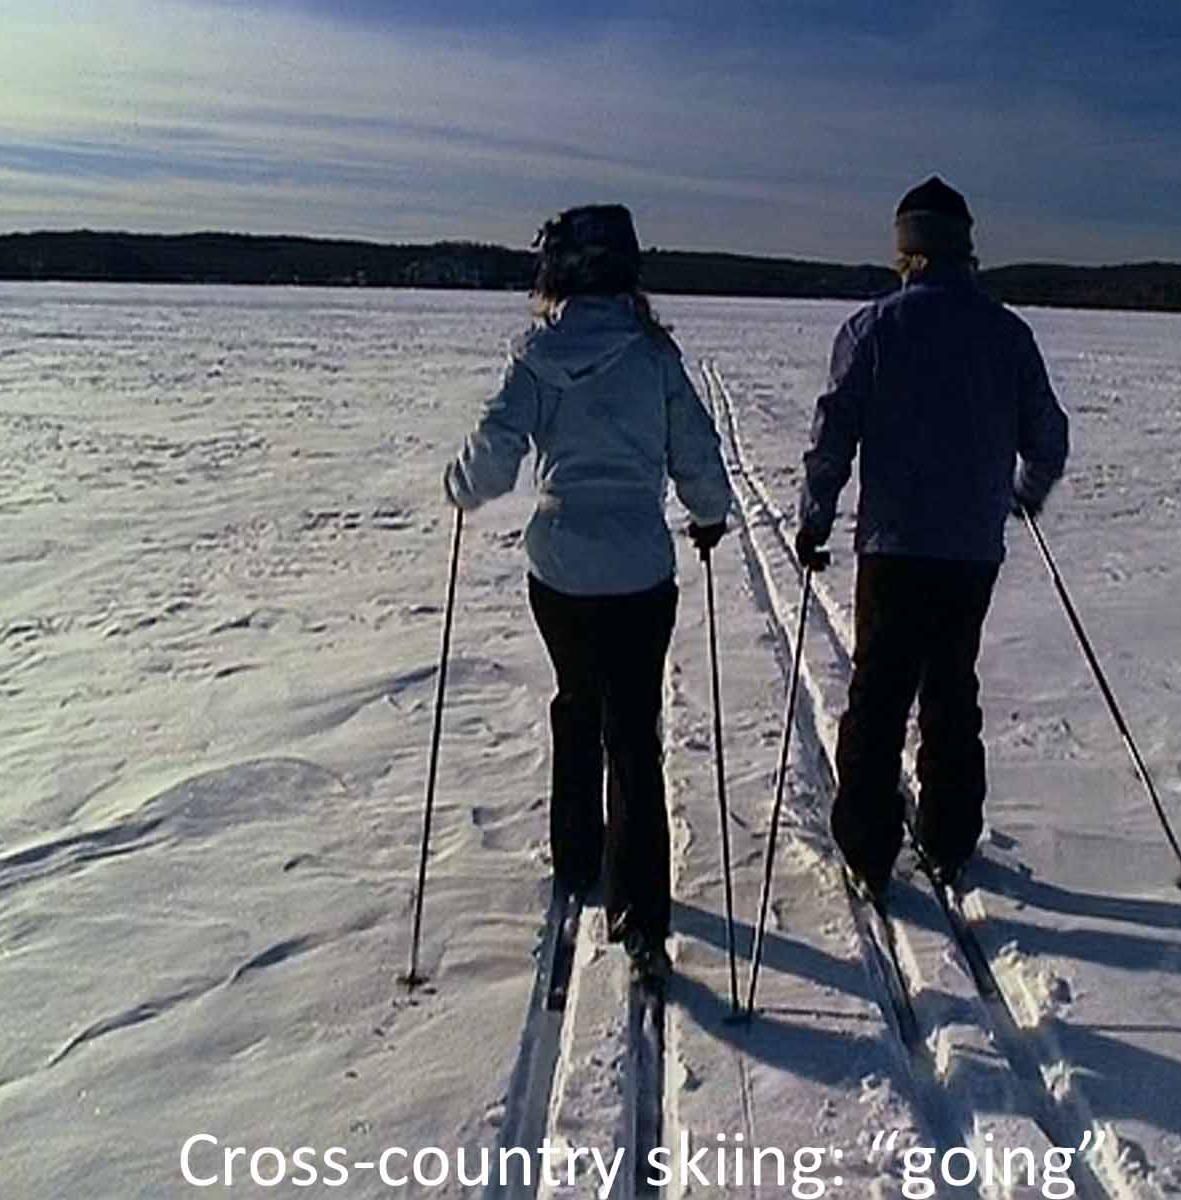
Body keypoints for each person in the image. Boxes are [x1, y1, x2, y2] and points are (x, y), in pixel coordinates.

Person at [444, 204, 733, 978]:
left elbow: (495, 457)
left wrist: (460, 487)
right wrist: (710, 516)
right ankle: (641, 914)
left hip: (562, 570)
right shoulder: (654, 356)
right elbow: (697, 456)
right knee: (633, 729)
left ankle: (577, 860)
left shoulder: (538, 356)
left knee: (578, 704)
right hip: (640, 569)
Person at [795, 176, 1070, 898]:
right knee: (950, 688)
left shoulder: (873, 328)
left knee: (880, 695)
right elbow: (1048, 437)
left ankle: (866, 846)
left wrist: (814, 517)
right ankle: (950, 838)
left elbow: (833, 436)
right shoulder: (1007, 333)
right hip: (970, 553)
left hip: (892, 547)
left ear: (907, 249)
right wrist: (1024, 497)